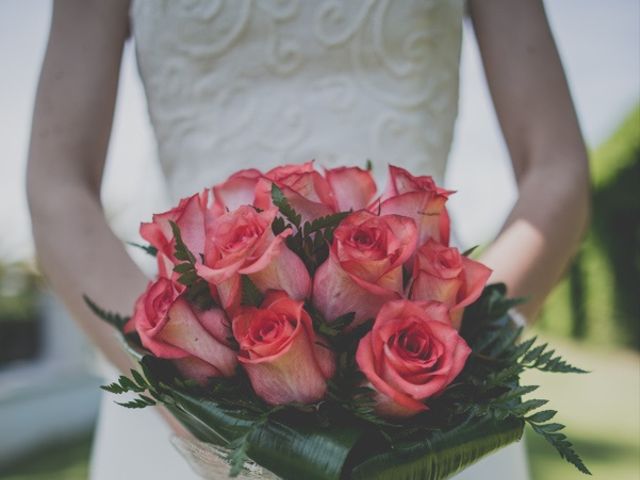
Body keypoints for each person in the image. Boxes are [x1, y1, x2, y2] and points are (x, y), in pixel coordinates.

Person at [26, 1, 590, 479]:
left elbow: (555, 169)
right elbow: (57, 186)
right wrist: (203, 416)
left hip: (425, 412)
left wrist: (451, 366)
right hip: (189, 406)